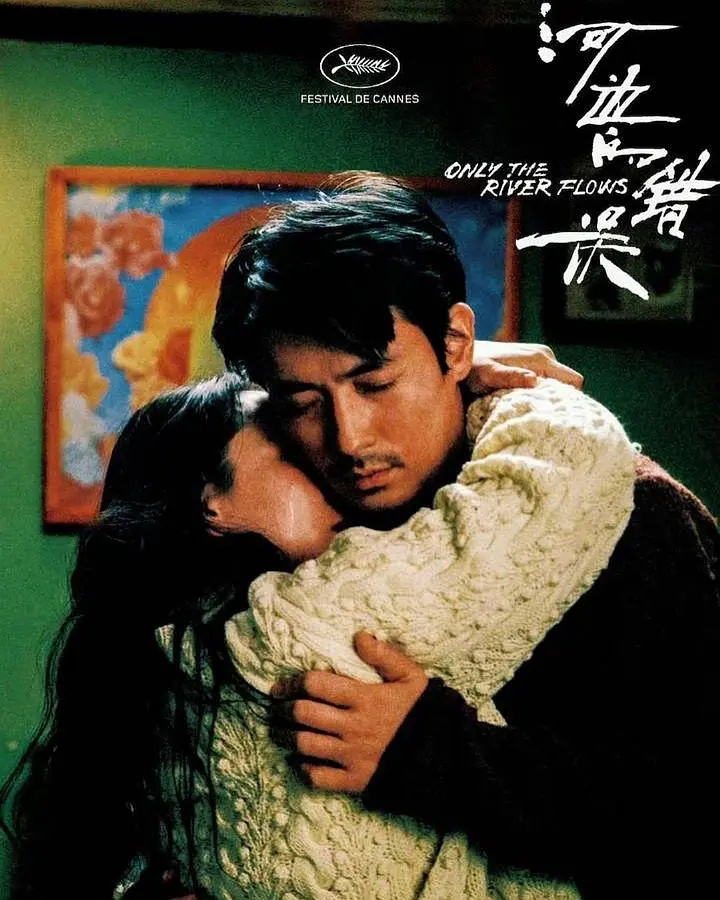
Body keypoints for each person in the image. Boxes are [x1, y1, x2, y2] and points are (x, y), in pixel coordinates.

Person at [211, 171, 720, 898]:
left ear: (455, 345)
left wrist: (435, 754)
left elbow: (692, 811)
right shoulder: (296, 522)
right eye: (303, 402)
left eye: (375, 384)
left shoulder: (631, 516)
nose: (349, 439)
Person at [0, 367, 636, 900]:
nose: (335, 464)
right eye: (291, 453)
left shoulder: (166, 650)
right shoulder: (297, 623)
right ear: (209, 503)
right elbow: (564, 467)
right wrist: (459, 376)